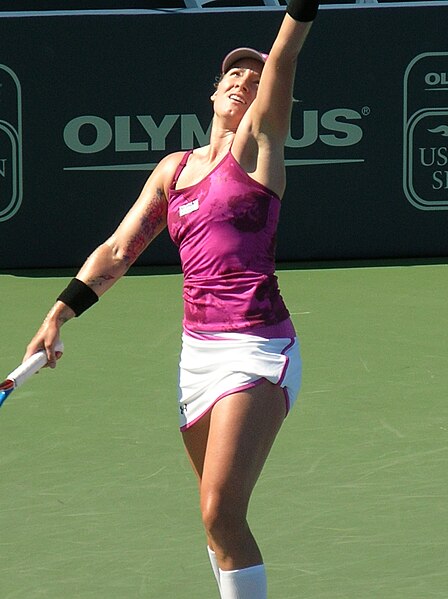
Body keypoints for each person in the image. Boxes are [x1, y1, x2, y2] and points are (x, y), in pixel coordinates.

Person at [24, 1, 319, 596]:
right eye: (233, 75)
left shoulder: (260, 148)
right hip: (197, 359)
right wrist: (59, 312)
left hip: (257, 349)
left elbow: (284, 56)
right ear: (213, 95)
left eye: (255, 79)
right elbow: (117, 250)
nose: (244, 81)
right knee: (215, 527)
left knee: (220, 512)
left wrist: (299, 13)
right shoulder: (174, 170)